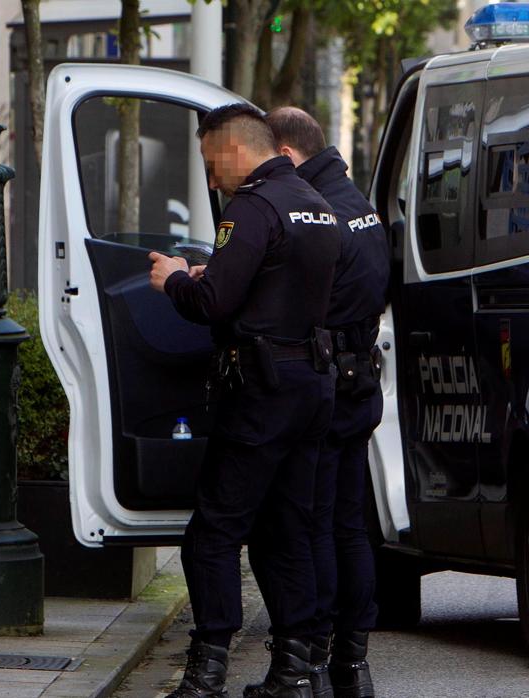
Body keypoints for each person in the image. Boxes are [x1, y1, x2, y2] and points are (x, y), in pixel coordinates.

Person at [148, 103, 341, 698]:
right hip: (312, 382)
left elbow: (214, 306)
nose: (211, 180)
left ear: (234, 150)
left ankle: (206, 674)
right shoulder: (319, 206)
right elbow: (284, 286)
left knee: (214, 532)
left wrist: (176, 280)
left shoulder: (252, 208)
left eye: (212, 164)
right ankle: (294, 672)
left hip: (260, 390)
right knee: (287, 529)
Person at [250, 106, 390, 698]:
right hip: (358, 377)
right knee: (350, 524)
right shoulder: (357, 201)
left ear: (285, 155)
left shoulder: (314, 209)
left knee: (310, 525)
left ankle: (306, 658)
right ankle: (352, 666)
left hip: (323, 377)